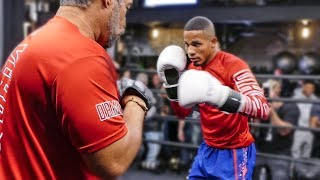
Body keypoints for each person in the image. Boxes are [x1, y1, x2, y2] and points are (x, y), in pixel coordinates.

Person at [0, 0, 155, 179]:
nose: (123, 24)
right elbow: (113, 161)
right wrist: (136, 99)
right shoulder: (80, 57)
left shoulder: (34, 42)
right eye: (126, 8)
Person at [157, 16, 270, 179]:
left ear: (213, 42)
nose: (190, 51)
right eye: (187, 45)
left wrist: (221, 95)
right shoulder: (193, 68)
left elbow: (262, 108)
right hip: (208, 148)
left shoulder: (233, 65)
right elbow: (182, 113)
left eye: (196, 44)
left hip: (235, 151)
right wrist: (172, 85)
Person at [254, 79, 298, 180]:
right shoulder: (260, 104)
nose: (264, 92)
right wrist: (257, 112)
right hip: (260, 150)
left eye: (269, 89)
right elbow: (253, 128)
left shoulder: (290, 106)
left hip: (280, 153)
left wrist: (272, 112)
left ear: (278, 90)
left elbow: (284, 131)